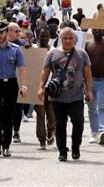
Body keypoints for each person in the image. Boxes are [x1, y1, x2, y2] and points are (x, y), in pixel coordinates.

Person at [38, 27, 93, 161]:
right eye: (65, 38)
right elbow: (45, 71)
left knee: (78, 123)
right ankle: (62, 151)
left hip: (76, 97)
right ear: (60, 39)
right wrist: (41, 88)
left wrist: (88, 90)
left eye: (70, 38)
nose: (68, 41)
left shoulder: (82, 54)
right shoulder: (52, 54)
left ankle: (75, 147)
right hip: (57, 97)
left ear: (75, 39)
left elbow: (87, 73)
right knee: (60, 125)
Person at [0, 21, 27, 158]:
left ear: (6, 33)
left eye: (1, 33)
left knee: (9, 115)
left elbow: (22, 69)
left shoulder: (15, 49)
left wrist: (23, 85)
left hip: (10, 84)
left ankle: (6, 146)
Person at [33, 25, 56, 150]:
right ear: (38, 36)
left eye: (46, 36)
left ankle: (50, 132)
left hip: (51, 87)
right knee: (40, 115)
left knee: (52, 115)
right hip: (38, 87)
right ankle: (42, 140)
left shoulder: (54, 51)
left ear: (49, 37)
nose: (44, 38)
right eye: (42, 36)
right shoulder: (33, 49)